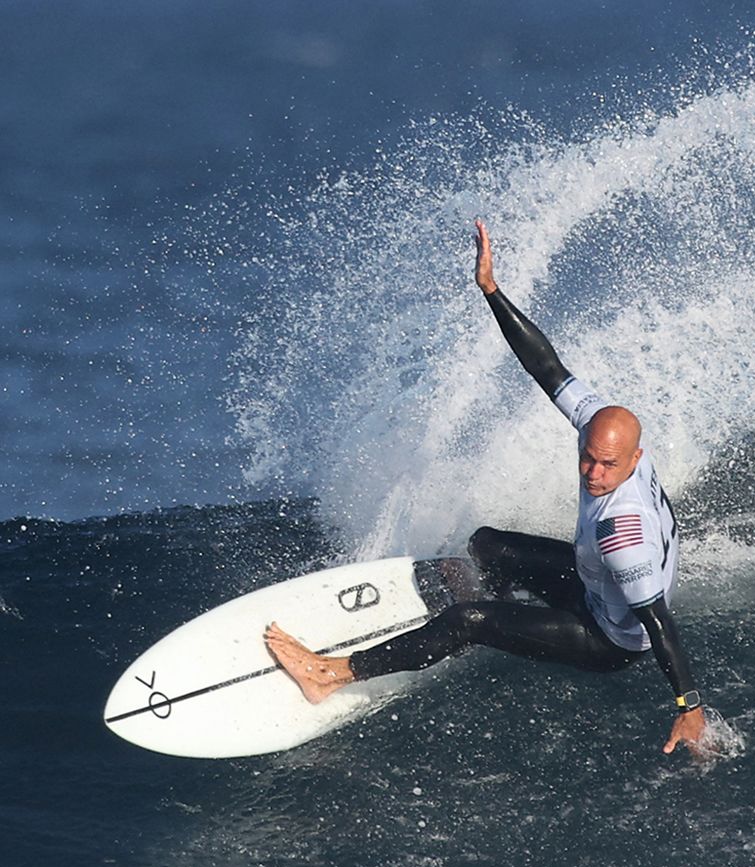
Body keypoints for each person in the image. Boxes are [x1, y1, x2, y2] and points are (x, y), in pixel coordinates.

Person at [264, 220, 707, 755]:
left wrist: (689, 705)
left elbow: (657, 622)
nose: (592, 472)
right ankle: (500, 609)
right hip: (593, 586)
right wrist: (491, 291)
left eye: (607, 466)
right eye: (587, 458)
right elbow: (547, 366)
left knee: (466, 620)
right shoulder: (606, 431)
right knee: (487, 544)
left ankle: (330, 673)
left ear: (634, 459)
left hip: (607, 637)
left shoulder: (623, 532)